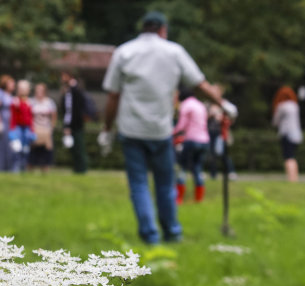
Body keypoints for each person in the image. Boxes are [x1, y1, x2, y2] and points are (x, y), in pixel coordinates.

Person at [101, 11, 237, 244]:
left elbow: (113, 96)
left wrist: (106, 130)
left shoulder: (124, 52)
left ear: (142, 29)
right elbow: (200, 84)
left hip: (131, 130)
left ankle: (150, 236)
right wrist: (223, 104)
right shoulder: (174, 52)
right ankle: (172, 233)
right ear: (163, 30)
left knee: (139, 184)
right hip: (161, 131)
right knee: (165, 185)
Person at [173, 88, 209, 204]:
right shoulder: (200, 105)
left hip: (191, 140)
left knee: (182, 167)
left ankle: (179, 198)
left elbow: (181, 126)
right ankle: (199, 199)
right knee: (197, 168)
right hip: (204, 140)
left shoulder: (186, 105)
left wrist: (171, 132)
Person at [272, 86, 303, 182]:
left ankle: (291, 178)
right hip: (297, 135)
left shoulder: (281, 106)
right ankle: (295, 177)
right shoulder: (295, 106)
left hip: (286, 134)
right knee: (293, 157)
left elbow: (275, 122)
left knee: (288, 157)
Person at [60, 70, 88, 174]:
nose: (62, 79)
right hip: (75, 124)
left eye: (63, 76)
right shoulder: (73, 89)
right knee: (75, 148)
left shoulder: (73, 90)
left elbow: (70, 110)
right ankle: (78, 168)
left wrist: (67, 125)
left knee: (78, 148)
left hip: (75, 125)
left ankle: (81, 169)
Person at [29, 83, 57, 173]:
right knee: (32, 153)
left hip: (46, 130)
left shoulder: (50, 102)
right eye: (37, 90)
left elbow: (54, 117)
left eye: (41, 90)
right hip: (34, 130)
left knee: (46, 153)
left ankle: (45, 170)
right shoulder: (31, 101)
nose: (39, 92)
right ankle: (29, 170)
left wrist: (51, 128)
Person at [9, 80, 36, 172]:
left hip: (27, 129)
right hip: (17, 128)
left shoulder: (30, 102)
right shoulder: (15, 101)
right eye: (21, 88)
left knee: (25, 149)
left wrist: (32, 130)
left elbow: (31, 118)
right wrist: (12, 130)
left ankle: (23, 168)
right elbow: (12, 117)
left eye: (25, 88)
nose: (23, 90)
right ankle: (15, 168)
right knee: (16, 148)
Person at [207, 102, 237, 180]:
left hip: (220, 135)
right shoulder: (208, 106)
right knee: (212, 155)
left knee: (224, 155)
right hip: (210, 135)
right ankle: (213, 174)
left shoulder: (223, 107)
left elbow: (230, 119)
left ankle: (230, 172)